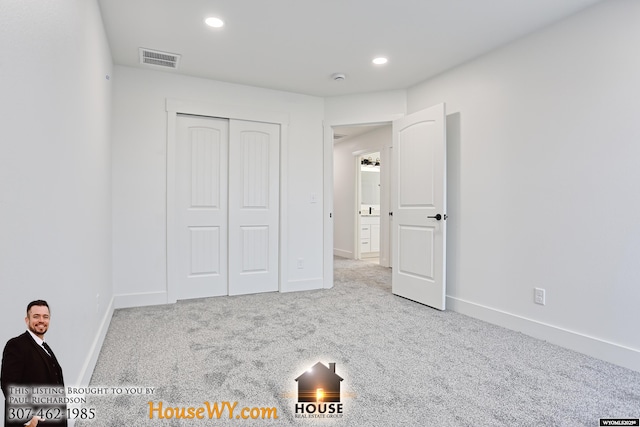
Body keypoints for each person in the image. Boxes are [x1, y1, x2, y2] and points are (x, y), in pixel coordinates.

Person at [1, 300, 67, 427]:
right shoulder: (16, 345)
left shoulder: (45, 347)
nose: (41, 320)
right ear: (27, 320)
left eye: (45, 317)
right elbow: (9, 385)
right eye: (36, 316)